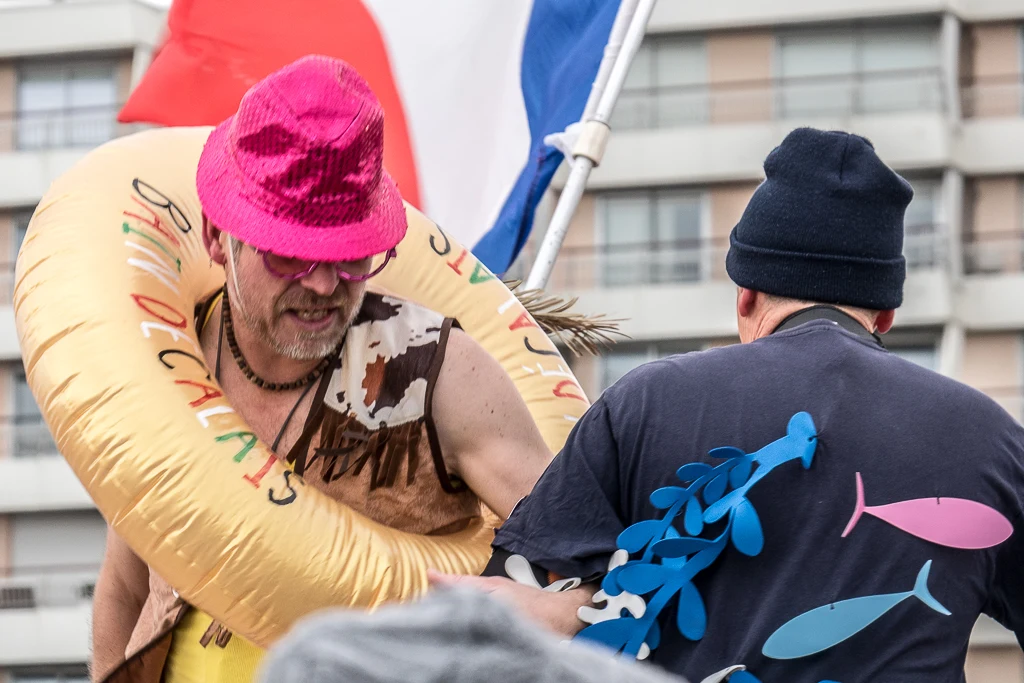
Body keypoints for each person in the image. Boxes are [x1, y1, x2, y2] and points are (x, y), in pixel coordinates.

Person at [436, 128, 1024, 683]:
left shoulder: (646, 403)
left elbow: (508, 607)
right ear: (886, 315)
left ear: (745, 294)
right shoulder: (992, 442)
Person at [91, 55, 554, 683]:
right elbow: (124, 584)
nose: (324, 283)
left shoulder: (437, 372)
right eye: (289, 255)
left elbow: (584, 555)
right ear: (215, 238)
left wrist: (559, 609)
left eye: (349, 255)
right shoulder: (174, 361)